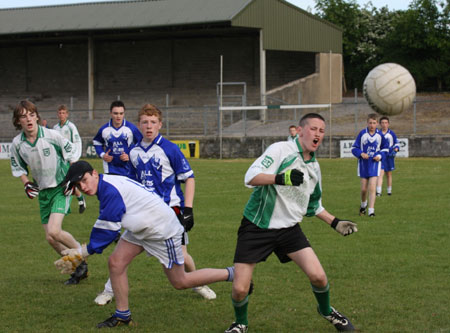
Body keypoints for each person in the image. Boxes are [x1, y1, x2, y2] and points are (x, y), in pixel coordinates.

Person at [57, 161, 235, 328]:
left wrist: (81, 252)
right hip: (142, 227)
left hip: (162, 231)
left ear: (94, 173)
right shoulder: (106, 184)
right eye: (79, 186)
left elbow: (108, 230)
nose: (84, 187)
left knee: (180, 281)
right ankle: (122, 316)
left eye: (85, 181)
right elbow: (107, 224)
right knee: (116, 262)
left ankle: (233, 273)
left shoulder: (110, 190)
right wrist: (82, 251)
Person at [225, 113, 357, 333]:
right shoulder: (280, 150)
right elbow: (250, 176)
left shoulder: (314, 168)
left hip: (289, 230)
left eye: (322, 131)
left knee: (318, 276)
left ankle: (326, 311)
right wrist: (280, 177)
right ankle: (241, 323)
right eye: (314, 129)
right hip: (257, 226)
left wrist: (335, 223)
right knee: (240, 289)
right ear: (300, 130)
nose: (318, 134)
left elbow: (313, 205)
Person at [93, 103, 216, 305]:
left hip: (171, 212)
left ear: (160, 124)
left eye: (152, 122)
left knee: (183, 256)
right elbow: (132, 184)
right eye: (144, 122)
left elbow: (189, 178)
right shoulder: (133, 152)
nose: (148, 126)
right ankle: (109, 291)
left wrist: (188, 210)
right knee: (121, 256)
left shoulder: (170, 149)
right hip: (145, 213)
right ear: (139, 125)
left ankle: (198, 283)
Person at [9, 100, 88, 285]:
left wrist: (72, 179)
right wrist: (26, 183)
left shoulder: (52, 136)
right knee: (50, 238)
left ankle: (82, 255)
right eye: (23, 116)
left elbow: (72, 154)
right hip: (42, 192)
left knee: (54, 230)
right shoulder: (17, 144)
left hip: (60, 187)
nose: (28, 119)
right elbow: (18, 167)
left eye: (31, 114)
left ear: (37, 116)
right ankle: (78, 268)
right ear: (18, 121)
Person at [351, 113, 389, 217]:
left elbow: (385, 149)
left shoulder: (380, 135)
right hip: (363, 165)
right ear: (367, 123)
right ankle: (363, 205)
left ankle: (371, 211)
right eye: (370, 123)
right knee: (364, 189)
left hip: (375, 165)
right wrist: (361, 153)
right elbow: (354, 148)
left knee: (372, 187)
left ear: (377, 123)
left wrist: (379, 156)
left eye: (374, 123)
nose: (372, 125)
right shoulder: (362, 134)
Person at [93, 100, 142, 177]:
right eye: (115, 113)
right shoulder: (104, 129)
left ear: (124, 114)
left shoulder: (131, 128)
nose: (118, 116)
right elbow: (97, 142)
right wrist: (103, 155)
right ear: (111, 113)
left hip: (128, 167)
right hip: (109, 167)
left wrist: (130, 155)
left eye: (121, 113)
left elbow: (140, 143)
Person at [53, 104, 86, 213]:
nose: (61, 115)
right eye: (60, 113)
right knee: (63, 182)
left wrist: (74, 158)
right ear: (58, 114)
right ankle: (80, 199)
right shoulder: (55, 128)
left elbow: (77, 142)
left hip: (69, 159)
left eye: (63, 113)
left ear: (67, 114)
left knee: (67, 182)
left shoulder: (71, 127)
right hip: (59, 160)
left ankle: (71, 203)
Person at [376, 116, 400, 196]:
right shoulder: (378, 134)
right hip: (381, 155)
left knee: (388, 174)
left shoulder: (391, 133)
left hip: (389, 155)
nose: (384, 124)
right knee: (380, 173)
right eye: (382, 123)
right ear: (380, 124)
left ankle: (389, 191)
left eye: (386, 123)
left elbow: (396, 143)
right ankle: (378, 192)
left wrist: (396, 149)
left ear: (388, 124)